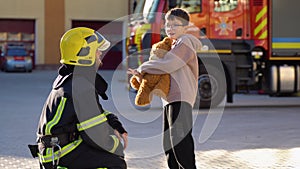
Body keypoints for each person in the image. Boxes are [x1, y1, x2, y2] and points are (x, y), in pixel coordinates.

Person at [31, 27, 128, 169]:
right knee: (115, 163)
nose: (100, 53)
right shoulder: (80, 85)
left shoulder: (72, 79)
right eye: (97, 50)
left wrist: (115, 125)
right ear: (86, 54)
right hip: (60, 154)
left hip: (56, 150)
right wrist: (116, 145)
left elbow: (97, 114)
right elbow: (94, 134)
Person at [128, 8, 202, 169]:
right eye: (168, 24)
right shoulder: (172, 44)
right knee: (168, 143)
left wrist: (144, 68)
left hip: (181, 97)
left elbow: (169, 63)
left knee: (180, 142)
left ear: (185, 27)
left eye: (176, 25)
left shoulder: (185, 42)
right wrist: (144, 76)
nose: (170, 28)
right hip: (169, 99)